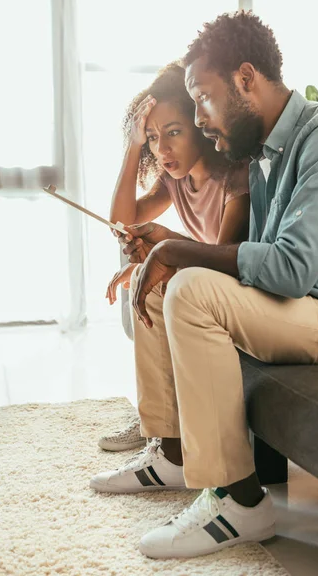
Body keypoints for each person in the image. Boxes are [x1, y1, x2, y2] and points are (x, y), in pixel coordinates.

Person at [91, 11, 318, 560]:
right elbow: (250, 263)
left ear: (245, 78)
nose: (199, 117)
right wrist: (162, 253)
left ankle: (240, 500)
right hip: (297, 310)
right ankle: (171, 452)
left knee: (189, 285)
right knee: (165, 281)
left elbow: (289, 269)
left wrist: (179, 249)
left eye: (203, 98)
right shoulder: (259, 156)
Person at [98, 63, 249, 452]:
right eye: (152, 138)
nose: (161, 150)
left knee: (150, 282)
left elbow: (225, 260)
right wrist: (133, 145)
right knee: (143, 281)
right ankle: (159, 427)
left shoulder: (235, 176)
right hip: (202, 285)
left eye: (173, 133)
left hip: (236, 292)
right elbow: (121, 221)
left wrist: (165, 246)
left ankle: (166, 434)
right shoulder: (174, 181)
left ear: (200, 124)